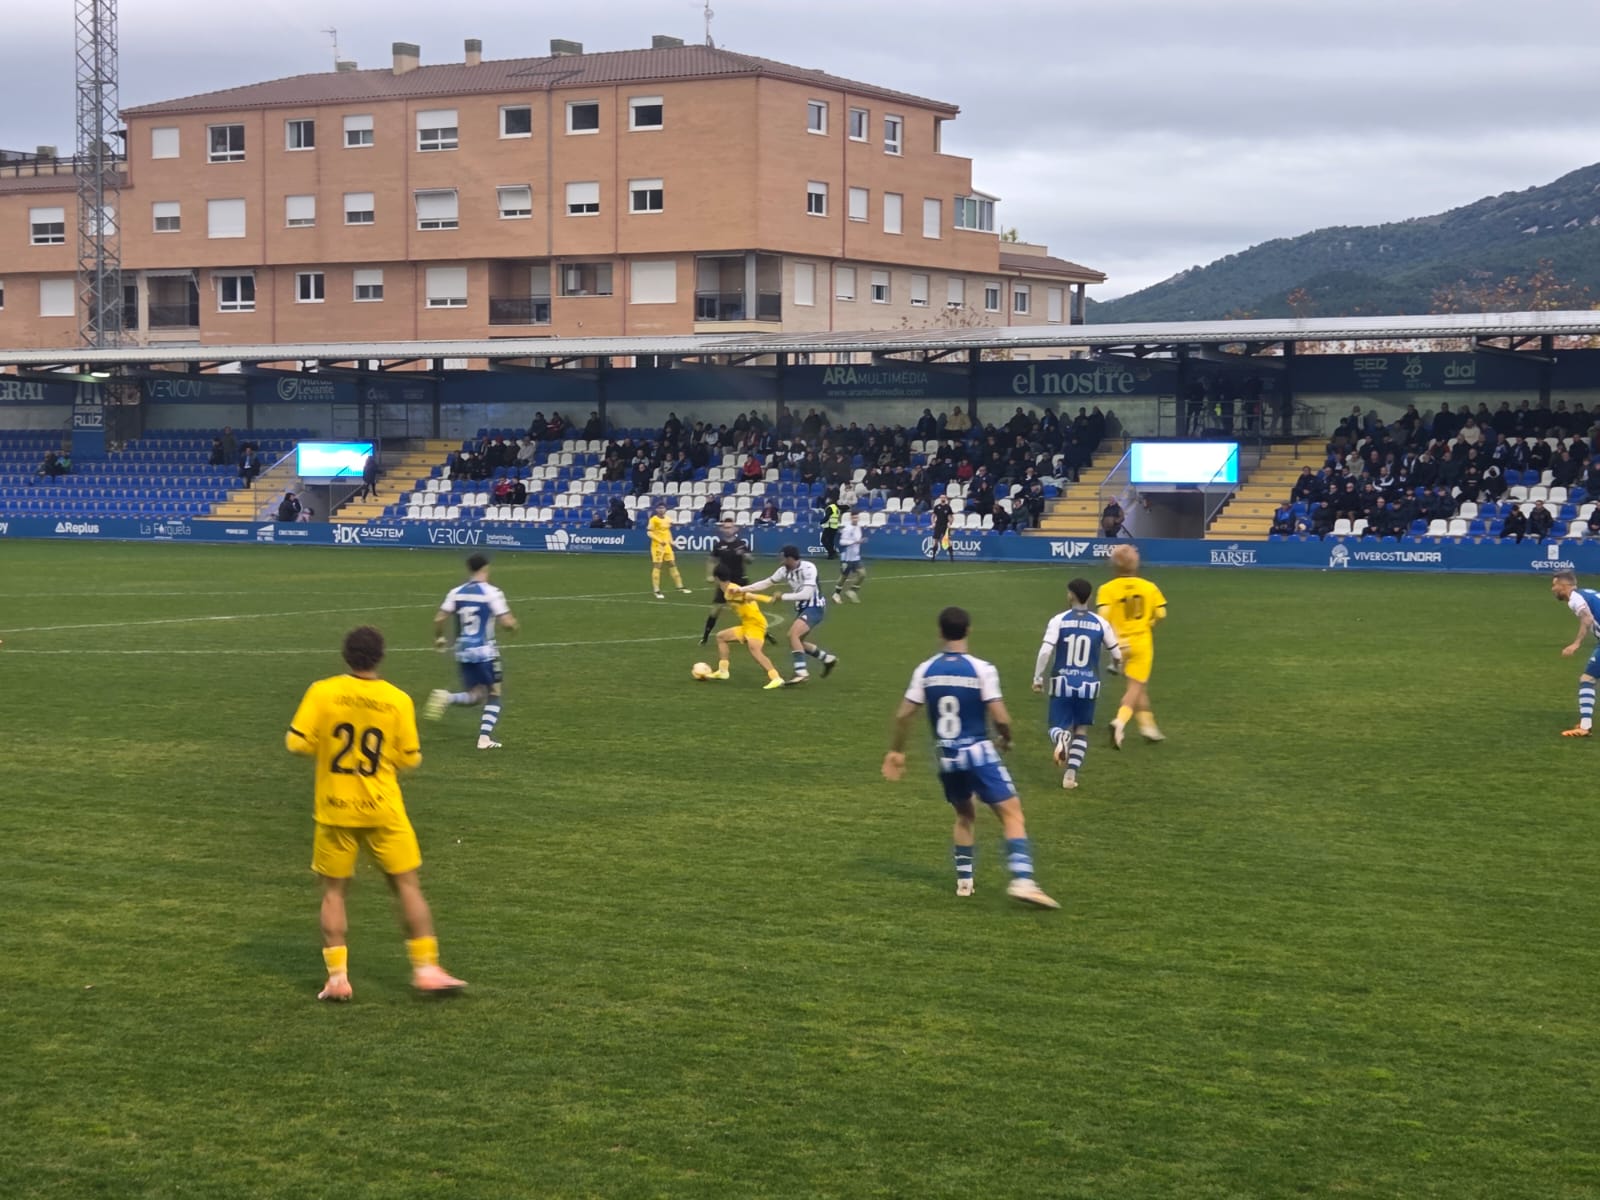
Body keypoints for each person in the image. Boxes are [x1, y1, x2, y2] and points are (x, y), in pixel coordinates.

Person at [285, 625, 467, 1001]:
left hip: (335, 809)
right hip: (383, 808)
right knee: (405, 885)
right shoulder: (397, 699)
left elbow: (296, 743)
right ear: (380, 656)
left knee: (334, 892)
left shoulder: (323, 692)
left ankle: (337, 978)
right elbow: (410, 757)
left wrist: (327, 745)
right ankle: (426, 968)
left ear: (345, 656)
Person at [880, 606, 1058, 908]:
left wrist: (897, 750)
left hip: (947, 759)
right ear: (968, 631)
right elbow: (1001, 716)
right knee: (1012, 814)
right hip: (977, 753)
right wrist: (1006, 738)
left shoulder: (926, 670)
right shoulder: (981, 669)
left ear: (940, 633)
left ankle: (964, 883)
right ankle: (1023, 881)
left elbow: (904, 714)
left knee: (965, 814)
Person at [1033, 578, 1122, 790]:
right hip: (1089, 685)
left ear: (1070, 595)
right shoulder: (1101, 623)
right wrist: (1115, 666)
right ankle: (1070, 776)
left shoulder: (1059, 620)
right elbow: (1117, 654)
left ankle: (1061, 737)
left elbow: (1046, 651)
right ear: (1089, 597)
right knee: (1081, 730)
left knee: (1057, 726)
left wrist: (1037, 678)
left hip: (1062, 681)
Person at [424, 554, 520, 750]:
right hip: (485, 652)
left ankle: (446, 697)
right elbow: (507, 622)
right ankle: (484, 738)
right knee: (494, 692)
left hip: (463, 651)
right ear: (485, 568)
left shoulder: (456, 592)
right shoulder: (491, 592)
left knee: (475, 695)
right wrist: (514, 627)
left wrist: (439, 638)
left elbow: (440, 618)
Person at [1095, 543, 1169, 748]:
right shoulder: (1149, 587)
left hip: (1118, 644)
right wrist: (1150, 623)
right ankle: (1119, 722)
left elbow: (1104, 616)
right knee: (1136, 686)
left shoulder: (1106, 589)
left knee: (1138, 687)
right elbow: (1161, 614)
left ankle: (1148, 727)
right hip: (1141, 642)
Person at [743, 544, 838, 684]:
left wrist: (783, 596)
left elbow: (807, 594)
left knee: (793, 635)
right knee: (797, 641)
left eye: (783, 558)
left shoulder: (808, 568)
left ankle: (801, 673)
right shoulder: (784, 570)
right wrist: (741, 590)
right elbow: (766, 583)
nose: (780, 561)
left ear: (790, 558)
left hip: (814, 606)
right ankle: (827, 659)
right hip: (802, 608)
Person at [709, 568, 785, 689]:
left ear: (716, 578)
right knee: (721, 637)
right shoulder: (729, 590)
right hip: (747, 625)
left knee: (755, 650)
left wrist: (770, 599)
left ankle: (776, 678)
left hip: (756, 624)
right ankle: (723, 671)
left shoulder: (731, 590)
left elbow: (750, 596)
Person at [1553, 571, 1600, 737]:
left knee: (1587, 679)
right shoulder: (1588, 593)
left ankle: (1585, 728)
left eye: (1555, 585)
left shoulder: (1575, 598)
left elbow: (1586, 619)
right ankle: (1585, 725)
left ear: (1564, 586)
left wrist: (1576, 644)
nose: (1553, 589)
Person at [701, 518, 753, 644]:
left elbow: (751, 561)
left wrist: (745, 556)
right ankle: (705, 637)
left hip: (740, 581)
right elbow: (711, 560)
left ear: (735, 529)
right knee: (716, 609)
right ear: (722, 529)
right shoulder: (719, 545)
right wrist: (709, 575)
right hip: (724, 583)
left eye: (730, 527)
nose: (728, 529)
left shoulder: (741, 544)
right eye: (725, 527)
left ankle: (761, 634)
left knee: (748, 610)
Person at [647, 501, 693, 600]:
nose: (661, 510)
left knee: (672, 563)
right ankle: (656, 590)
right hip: (657, 546)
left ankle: (680, 586)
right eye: (659, 508)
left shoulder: (668, 519)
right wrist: (659, 540)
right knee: (658, 565)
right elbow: (649, 533)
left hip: (667, 546)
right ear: (656, 510)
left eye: (663, 508)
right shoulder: (653, 520)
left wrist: (672, 542)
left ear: (665, 509)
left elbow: (667, 532)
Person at [832, 510, 867, 603]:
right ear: (851, 518)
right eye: (854, 517)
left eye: (857, 517)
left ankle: (851, 591)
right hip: (846, 557)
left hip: (855, 557)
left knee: (862, 574)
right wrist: (854, 542)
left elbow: (857, 540)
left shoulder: (858, 527)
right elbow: (842, 542)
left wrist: (861, 541)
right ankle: (836, 594)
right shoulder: (847, 529)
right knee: (844, 576)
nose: (855, 519)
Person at [928, 495, 955, 562]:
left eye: (944, 497)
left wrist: (950, 523)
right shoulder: (937, 507)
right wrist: (933, 523)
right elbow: (933, 516)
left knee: (948, 541)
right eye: (941, 497)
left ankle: (951, 558)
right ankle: (933, 557)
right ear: (940, 498)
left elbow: (951, 517)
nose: (943, 498)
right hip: (938, 525)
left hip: (945, 525)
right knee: (935, 541)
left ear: (945, 499)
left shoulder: (948, 507)